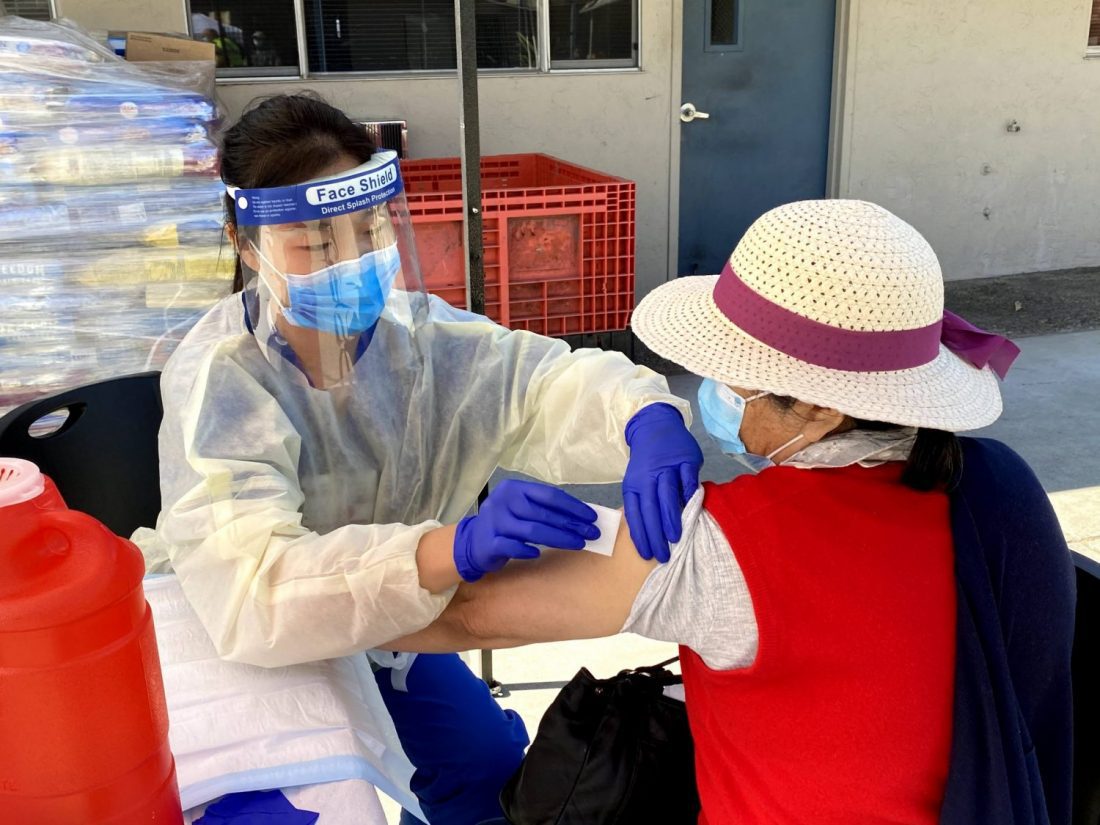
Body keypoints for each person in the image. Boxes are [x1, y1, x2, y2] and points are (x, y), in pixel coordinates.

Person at [388, 200, 1077, 824]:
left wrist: (444, 551)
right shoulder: (1001, 487)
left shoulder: (732, 545)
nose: (713, 392)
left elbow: (466, 612)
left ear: (820, 407)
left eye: (734, 378)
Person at [135, 93, 702, 825]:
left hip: (389, 614)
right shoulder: (223, 378)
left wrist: (644, 416)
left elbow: (538, 384)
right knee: (311, 803)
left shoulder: (419, 342)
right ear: (248, 245)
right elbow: (255, 588)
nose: (353, 261)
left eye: (370, 230)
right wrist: (448, 549)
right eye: (316, 244)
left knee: (485, 774)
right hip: (239, 632)